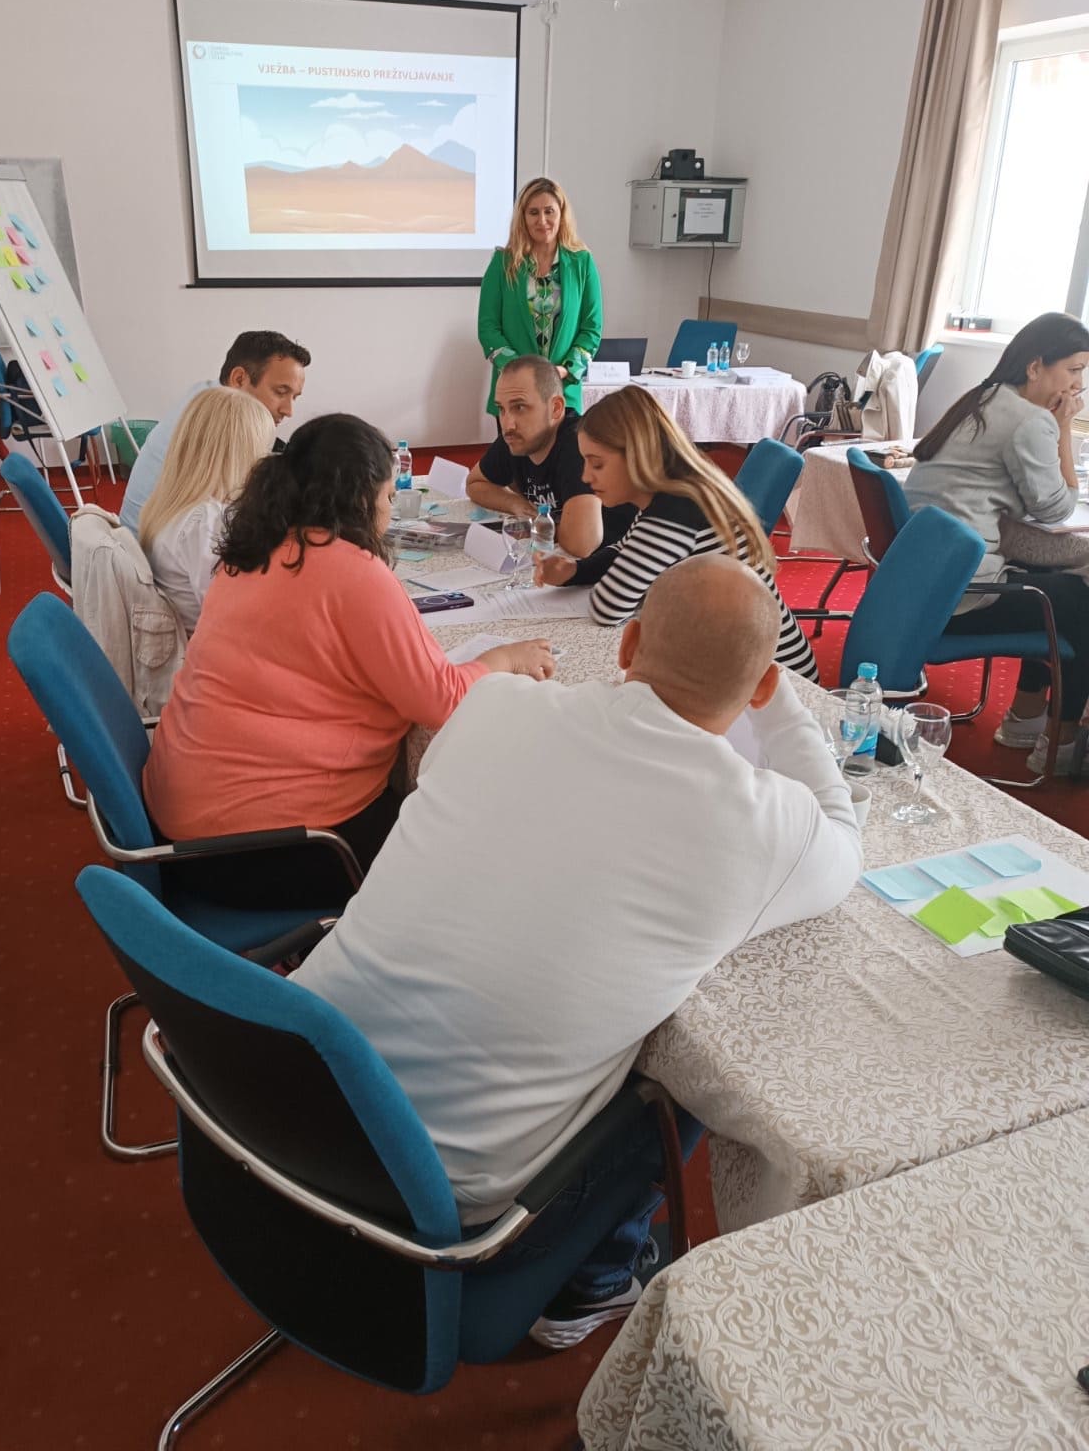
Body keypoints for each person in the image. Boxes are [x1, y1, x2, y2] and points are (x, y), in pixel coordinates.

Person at [294, 556, 862, 1347]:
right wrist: (777, 699)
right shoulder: (761, 822)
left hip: (285, 1097)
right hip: (443, 1215)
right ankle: (590, 1284)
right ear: (761, 687)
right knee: (683, 1071)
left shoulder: (494, 705)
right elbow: (844, 838)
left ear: (627, 646)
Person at [143, 414, 554, 876]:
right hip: (262, 844)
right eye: (388, 497)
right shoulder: (350, 570)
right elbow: (442, 700)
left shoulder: (253, 547)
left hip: (181, 818)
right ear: (361, 498)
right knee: (466, 858)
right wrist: (504, 659)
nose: (390, 512)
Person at [905, 311, 1089, 776]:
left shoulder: (982, 397)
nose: (1079, 384)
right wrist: (1064, 429)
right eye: (1073, 370)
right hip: (960, 596)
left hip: (920, 582)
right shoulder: (1029, 421)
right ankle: (1062, 743)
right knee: (1078, 602)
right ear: (1035, 366)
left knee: (1050, 577)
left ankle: (1025, 718)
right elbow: (1057, 508)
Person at [534, 385, 818, 680]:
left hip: (776, 675)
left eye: (597, 464)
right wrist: (576, 570)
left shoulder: (675, 510)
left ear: (637, 456)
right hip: (748, 658)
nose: (585, 476)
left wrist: (590, 575)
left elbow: (608, 608)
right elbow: (624, 550)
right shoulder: (677, 490)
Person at [119, 331, 309, 533]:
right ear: (239, 379)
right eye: (280, 392)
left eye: (294, 397)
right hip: (152, 544)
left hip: (144, 534)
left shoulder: (205, 396)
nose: (288, 410)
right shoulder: (223, 425)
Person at [136, 387, 276, 634]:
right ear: (242, 456)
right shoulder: (206, 522)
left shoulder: (172, 504)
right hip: (201, 646)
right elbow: (228, 612)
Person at [464, 355, 634, 557]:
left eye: (520, 407)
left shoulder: (579, 444)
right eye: (502, 409)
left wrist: (536, 525)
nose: (507, 424)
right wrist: (515, 504)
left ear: (555, 408)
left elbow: (581, 543)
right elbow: (474, 484)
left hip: (626, 561)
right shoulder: (517, 437)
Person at [477, 177, 602, 415]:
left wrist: (566, 370)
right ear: (523, 218)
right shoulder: (503, 263)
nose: (542, 220)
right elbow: (488, 327)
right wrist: (520, 371)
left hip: (563, 393)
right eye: (533, 212)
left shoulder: (582, 262)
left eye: (549, 211)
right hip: (514, 395)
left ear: (561, 214)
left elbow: (591, 328)